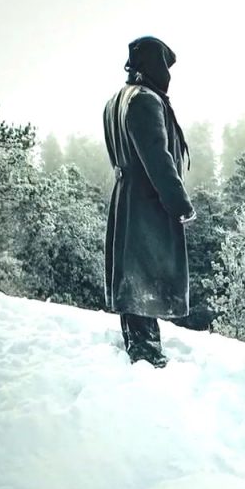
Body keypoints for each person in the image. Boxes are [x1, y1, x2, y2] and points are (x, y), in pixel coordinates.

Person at [102, 36, 195, 368]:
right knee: (142, 275)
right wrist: (179, 203)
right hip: (145, 202)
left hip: (128, 197)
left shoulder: (118, 99)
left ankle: (141, 347)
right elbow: (158, 157)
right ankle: (146, 356)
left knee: (133, 274)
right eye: (165, 65)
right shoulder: (144, 100)